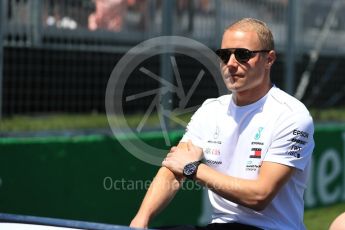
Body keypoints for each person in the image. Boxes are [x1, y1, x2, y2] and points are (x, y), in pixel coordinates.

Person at [130, 18, 315, 230]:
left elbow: (259, 196)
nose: (231, 63)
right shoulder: (211, 109)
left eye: (243, 54)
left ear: (269, 59)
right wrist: (141, 220)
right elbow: (174, 169)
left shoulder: (292, 115)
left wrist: (192, 169)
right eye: (224, 55)